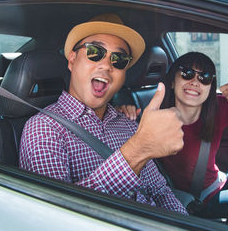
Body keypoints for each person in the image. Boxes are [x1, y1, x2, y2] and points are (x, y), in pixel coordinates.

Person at [19, 13, 187, 214]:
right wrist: (137, 151)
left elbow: (160, 192)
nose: (106, 65)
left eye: (119, 59)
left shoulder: (128, 124)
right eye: (95, 52)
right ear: (72, 60)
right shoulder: (43, 129)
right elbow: (57, 215)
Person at [117, 52, 228, 217]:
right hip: (194, 201)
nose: (195, 82)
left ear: (211, 87)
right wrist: (125, 114)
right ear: (172, 82)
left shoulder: (219, 108)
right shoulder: (152, 115)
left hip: (218, 181)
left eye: (204, 77)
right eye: (187, 73)